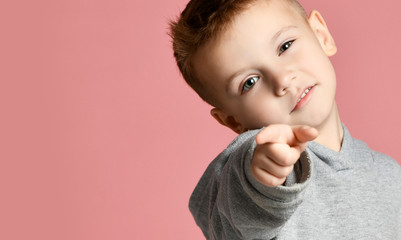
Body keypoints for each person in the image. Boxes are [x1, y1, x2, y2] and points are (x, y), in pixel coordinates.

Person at [169, 0, 401, 239]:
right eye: (250, 82)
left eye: (285, 46)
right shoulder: (255, 170)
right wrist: (259, 177)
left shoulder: (390, 176)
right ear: (232, 121)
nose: (282, 80)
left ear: (321, 35)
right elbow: (237, 208)